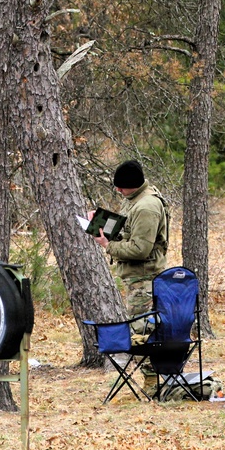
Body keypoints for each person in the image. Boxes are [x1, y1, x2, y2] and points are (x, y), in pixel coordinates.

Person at [91, 159, 170, 393]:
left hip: (144, 281)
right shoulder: (135, 201)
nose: (118, 190)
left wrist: (107, 245)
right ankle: (153, 381)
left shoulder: (146, 207)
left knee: (143, 332)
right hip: (137, 280)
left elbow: (140, 249)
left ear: (132, 185)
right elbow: (127, 229)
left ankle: (153, 383)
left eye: (121, 187)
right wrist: (101, 221)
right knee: (142, 330)